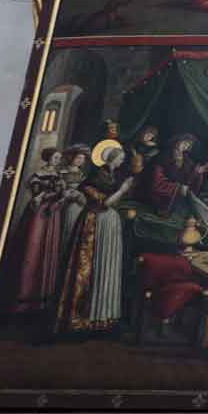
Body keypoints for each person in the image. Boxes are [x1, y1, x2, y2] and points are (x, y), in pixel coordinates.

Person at [53, 140, 134, 336]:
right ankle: (82, 319)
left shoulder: (114, 176)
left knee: (107, 266)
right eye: (121, 158)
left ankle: (103, 317)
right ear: (112, 158)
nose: (123, 161)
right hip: (94, 224)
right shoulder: (94, 178)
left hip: (109, 225)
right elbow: (105, 203)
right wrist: (123, 190)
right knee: (90, 268)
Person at [7, 148, 67, 317]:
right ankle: (24, 297)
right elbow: (37, 194)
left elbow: (61, 194)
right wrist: (53, 193)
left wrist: (62, 194)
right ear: (48, 158)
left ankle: (42, 299)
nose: (57, 160)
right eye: (55, 157)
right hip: (40, 214)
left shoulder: (59, 175)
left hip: (53, 214)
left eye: (59, 158)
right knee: (33, 248)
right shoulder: (38, 174)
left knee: (47, 248)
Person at [147, 134, 206, 217]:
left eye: (188, 145)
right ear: (178, 141)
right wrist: (178, 188)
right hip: (162, 195)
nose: (185, 146)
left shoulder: (187, 160)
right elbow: (156, 181)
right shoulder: (164, 155)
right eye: (185, 143)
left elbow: (187, 179)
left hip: (178, 195)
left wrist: (197, 173)